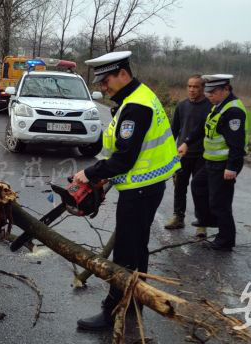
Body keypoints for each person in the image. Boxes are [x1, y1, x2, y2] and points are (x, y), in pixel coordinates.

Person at [73, 51, 180, 331]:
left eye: (106, 80)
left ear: (123, 74)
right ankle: (134, 302)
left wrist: (90, 174)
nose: (102, 87)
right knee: (137, 247)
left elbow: (123, 159)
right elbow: (127, 156)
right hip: (145, 185)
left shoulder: (135, 107)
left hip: (141, 189)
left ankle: (112, 312)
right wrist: (106, 183)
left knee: (124, 253)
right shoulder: (137, 97)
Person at [178, 74, 247, 251]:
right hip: (211, 161)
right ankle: (207, 219)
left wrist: (232, 167)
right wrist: (186, 142)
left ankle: (225, 241)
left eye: (213, 91)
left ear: (226, 89)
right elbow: (204, 127)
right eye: (207, 91)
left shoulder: (233, 111)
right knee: (198, 186)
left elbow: (237, 144)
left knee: (220, 202)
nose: (209, 95)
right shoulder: (218, 106)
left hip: (223, 164)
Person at [164, 75, 213, 239]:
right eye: (189, 86)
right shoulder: (182, 105)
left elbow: (203, 131)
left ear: (203, 88)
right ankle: (178, 217)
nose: (192, 89)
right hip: (182, 155)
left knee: (200, 190)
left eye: (196, 87)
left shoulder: (210, 107)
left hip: (202, 155)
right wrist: (170, 152)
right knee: (179, 187)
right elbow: (174, 129)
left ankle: (202, 224)